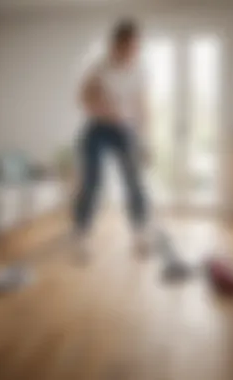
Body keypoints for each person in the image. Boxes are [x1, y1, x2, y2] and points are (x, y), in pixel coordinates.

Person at [74, 19, 150, 256]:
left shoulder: (140, 69)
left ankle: (140, 232)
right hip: (97, 129)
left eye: (135, 47)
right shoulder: (99, 66)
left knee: (134, 182)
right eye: (127, 47)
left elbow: (142, 105)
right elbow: (83, 97)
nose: (132, 52)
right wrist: (105, 110)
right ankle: (81, 233)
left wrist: (145, 138)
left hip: (124, 130)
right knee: (92, 182)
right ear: (115, 45)